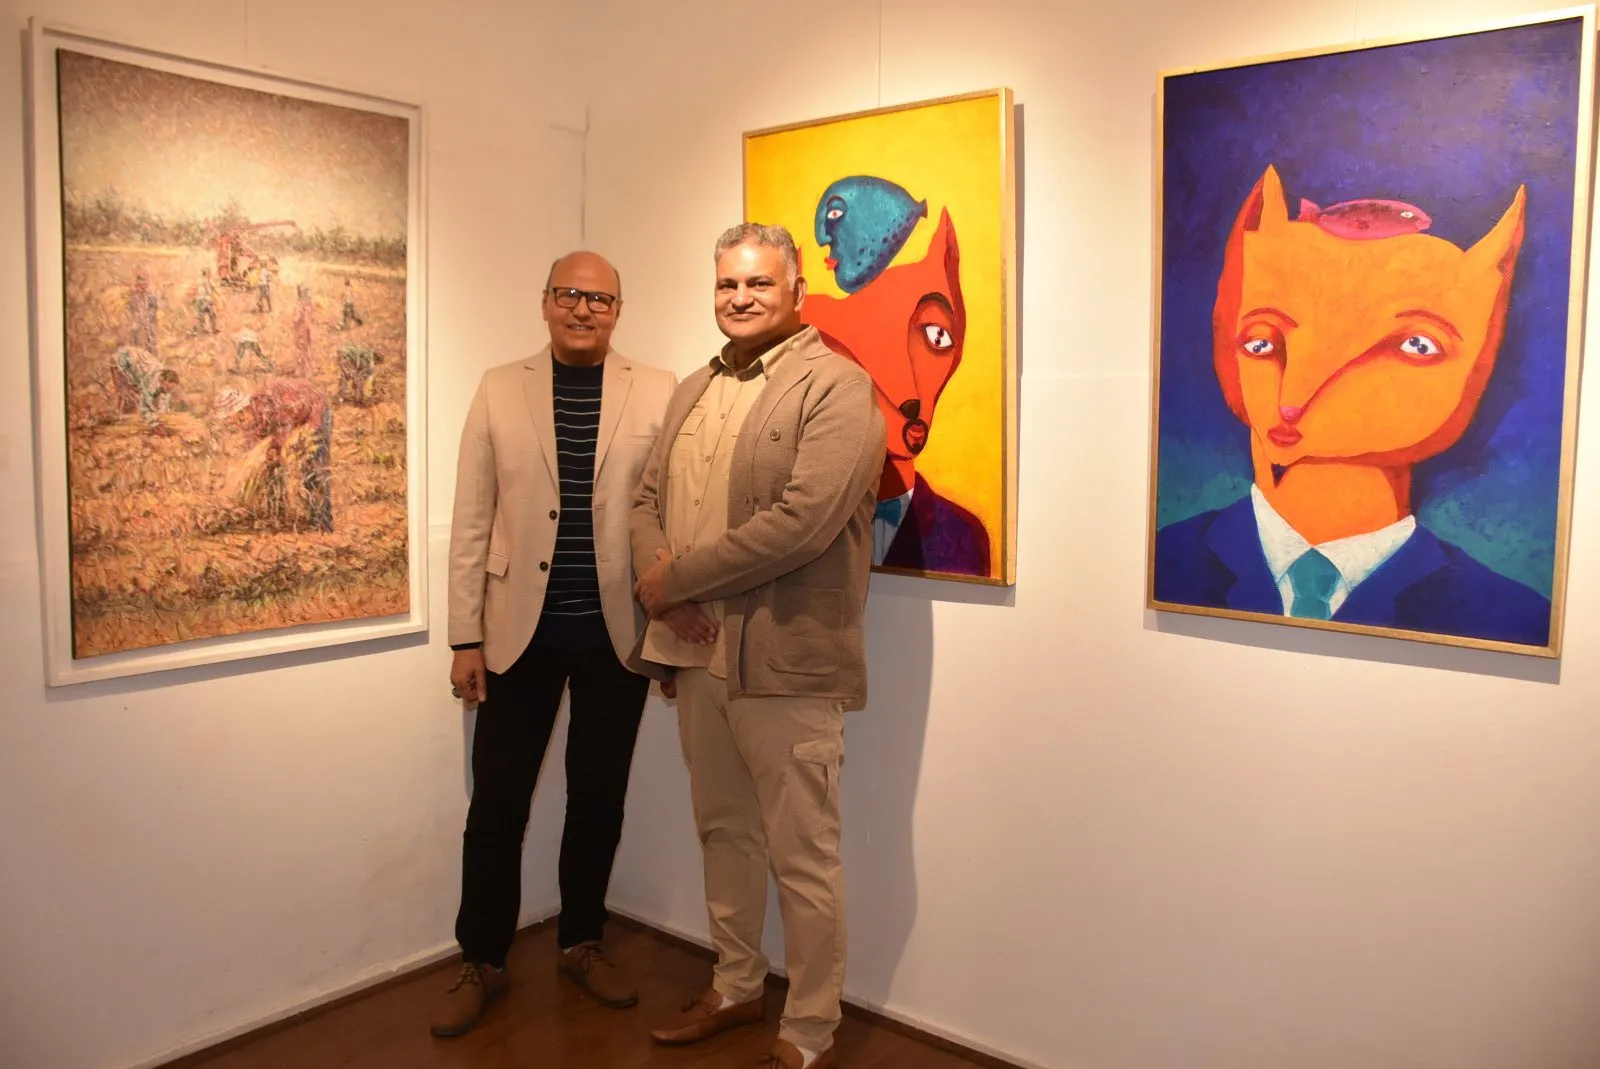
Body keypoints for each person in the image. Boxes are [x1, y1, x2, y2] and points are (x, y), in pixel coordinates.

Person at [631, 224, 885, 1069]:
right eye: (727, 284)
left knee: (803, 857)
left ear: (797, 291)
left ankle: (809, 1029)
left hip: (787, 662)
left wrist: (677, 580)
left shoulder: (838, 388)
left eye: (758, 283)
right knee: (724, 833)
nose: (739, 298)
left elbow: (801, 524)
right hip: (696, 653)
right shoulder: (693, 388)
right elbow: (646, 501)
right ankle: (736, 985)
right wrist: (666, 589)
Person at [436, 251, 680, 1038]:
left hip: (617, 636)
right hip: (517, 637)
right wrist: (465, 637)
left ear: (618, 310)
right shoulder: (498, 387)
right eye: (570, 294)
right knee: (497, 804)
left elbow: (670, 518)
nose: (583, 308)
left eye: (600, 298)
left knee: (598, 798)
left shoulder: (659, 389)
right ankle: (482, 957)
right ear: (544, 301)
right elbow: (471, 520)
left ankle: (581, 940)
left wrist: (671, 634)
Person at [213, 377, 333, 532]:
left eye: (234, 419)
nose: (235, 424)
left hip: (315, 410)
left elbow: (285, 423)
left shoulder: (266, 404)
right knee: (270, 467)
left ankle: (322, 522)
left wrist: (276, 446)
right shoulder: (250, 420)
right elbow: (255, 443)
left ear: (240, 411)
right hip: (294, 416)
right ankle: (277, 514)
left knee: (313, 467)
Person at [111, 346, 178, 425]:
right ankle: (118, 416)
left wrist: (163, 412)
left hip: (135, 363)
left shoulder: (164, 375)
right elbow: (145, 404)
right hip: (121, 361)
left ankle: (121, 415)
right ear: (162, 379)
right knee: (125, 393)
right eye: (167, 386)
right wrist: (153, 423)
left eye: (170, 388)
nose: (167, 390)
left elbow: (164, 395)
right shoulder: (150, 380)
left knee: (135, 392)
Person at [292, 285, 315, 377]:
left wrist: (294, 322)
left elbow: (296, 318)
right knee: (308, 348)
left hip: (302, 329)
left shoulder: (299, 305)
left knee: (301, 349)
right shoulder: (309, 303)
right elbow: (312, 317)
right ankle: (310, 369)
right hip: (309, 327)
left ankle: (302, 369)